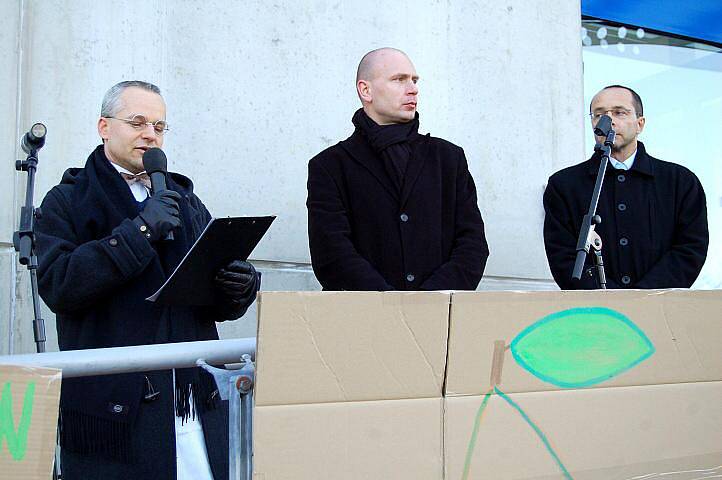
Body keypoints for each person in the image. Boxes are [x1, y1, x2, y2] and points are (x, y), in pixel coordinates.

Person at [35, 81, 258, 480]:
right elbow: (60, 284)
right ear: (104, 127)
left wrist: (236, 286)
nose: (149, 134)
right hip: (115, 412)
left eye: (158, 125)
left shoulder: (183, 199)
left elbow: (207, 297)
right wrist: (139, 231)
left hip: (194, 398)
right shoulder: (66, 199)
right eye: (137, 122)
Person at [306, 48, 489, 291]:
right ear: (366, 90)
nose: (412, 88)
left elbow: (472, 244)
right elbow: (332, 253)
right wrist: (391, 306)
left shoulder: (448, 159)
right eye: (399, 80)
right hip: (363, 319)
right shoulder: (330, 166)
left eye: (414, 80)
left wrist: (429, 301)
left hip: (439, 317)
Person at [543, 84, 708, 289]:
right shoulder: (565, 185)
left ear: (640, 124)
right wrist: (609, 299)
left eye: (619, 112)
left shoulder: (680, 182)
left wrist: (643, 296)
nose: (608, 120)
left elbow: (690, 249)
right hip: (597, 315)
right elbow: (563, 255)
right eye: (598, 114)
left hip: (661, 309)